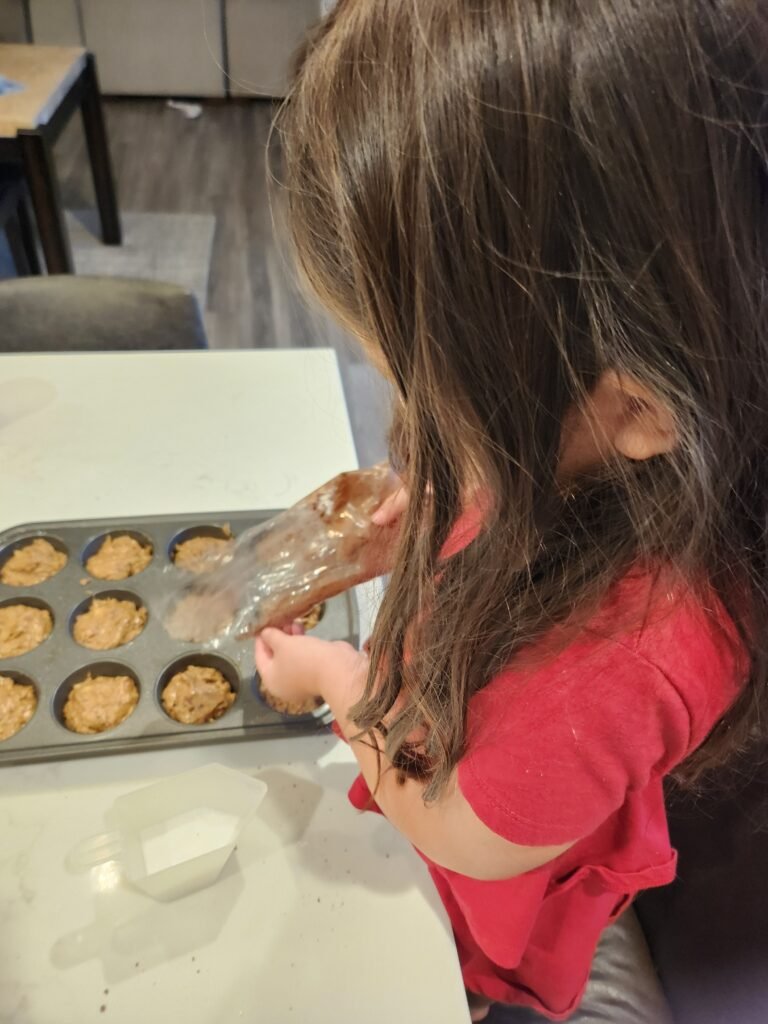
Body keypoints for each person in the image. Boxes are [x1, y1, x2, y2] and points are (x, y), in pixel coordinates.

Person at [254, 1, 768, 1019]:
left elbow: (459, 828)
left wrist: (339, 682)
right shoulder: (589, 437)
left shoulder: (632, 659)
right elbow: (501, 479)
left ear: (634, 402)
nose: (402, 408)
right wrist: (419, 511)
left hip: (487, 890)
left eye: (418, 382)